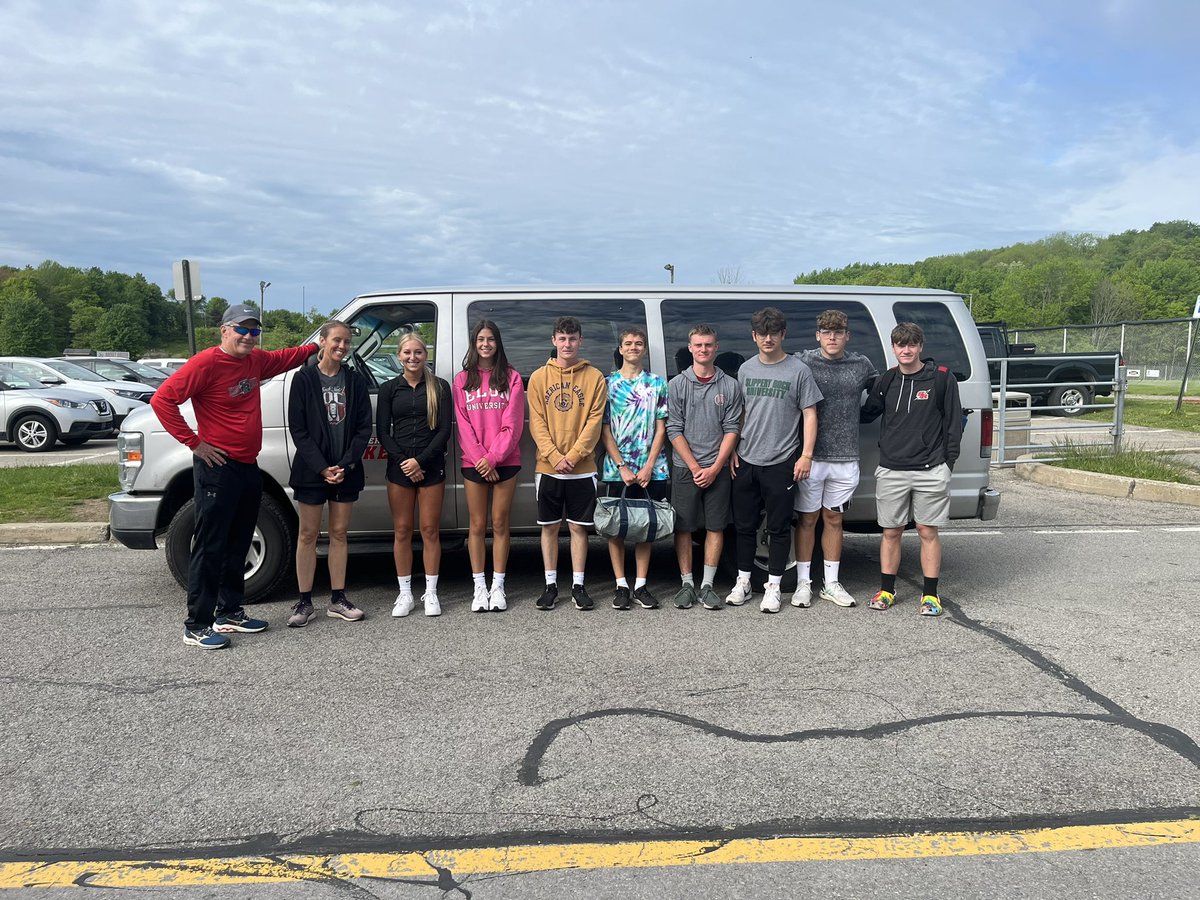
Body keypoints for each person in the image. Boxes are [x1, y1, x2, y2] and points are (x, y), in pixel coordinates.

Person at [151, 303, 316, 649]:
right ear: (224, 330)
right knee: (211, 545)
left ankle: (229, 612)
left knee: (239, 541)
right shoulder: (206, 363)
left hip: (247, 466)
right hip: (217, 468)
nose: (248, 336)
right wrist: (195, 443)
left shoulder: (254, 361)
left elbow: (286, 357)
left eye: (254, 330)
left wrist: (319, 344)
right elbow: (162, 400)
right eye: (242, 329)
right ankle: (197, 624)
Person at [860, 322, 962, 617]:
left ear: (920, 347)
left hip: (931, 468)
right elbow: (867, 414)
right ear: (893, 348)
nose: (906, 350)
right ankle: (886, 590)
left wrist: (948, 465)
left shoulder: (941, 378)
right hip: (892, 468)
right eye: (900, 344)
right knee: (891, 531)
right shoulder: (887, 379)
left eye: (911, 344)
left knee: (927, 530)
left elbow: (953, 424)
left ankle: (930, 595)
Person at [726, 306, 822, 614]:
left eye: (774, 334)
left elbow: (810, 414)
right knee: (744, 526)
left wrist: (806, 455)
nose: (768, 339)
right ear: (754, 336)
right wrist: (733, 449)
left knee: (779, 528)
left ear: (783, 335)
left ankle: (774, 587)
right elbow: (741, 413)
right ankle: (743, 582)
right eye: (762, 334)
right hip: (746, 459)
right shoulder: (745, 370)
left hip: (782, 461)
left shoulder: (798, 370)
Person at [285, 320, 373, 627]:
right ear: (322, 341)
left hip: (346, 470)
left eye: (347, 342)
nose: (342, 346)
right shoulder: (303, 379)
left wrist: (345, 464)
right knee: (307, 534)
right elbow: (298, 429)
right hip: (312, 470)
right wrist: (322, 467)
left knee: (339, 533)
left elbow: (363, 428)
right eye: (337, 340)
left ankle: (338, 599)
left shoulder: (355, 381)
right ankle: (304, 602)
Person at [791, 310, 879, 609]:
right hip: (810, 458)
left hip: (846, 458)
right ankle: (803, 583)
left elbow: (884, 391)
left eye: (838, 332)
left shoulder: (861, 365)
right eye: (826, 332)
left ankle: (831, 583)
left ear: (847, 335)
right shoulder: (803, 361)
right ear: (817, 335)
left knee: (834, 519)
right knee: (807, 520)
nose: (832, 337)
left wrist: (865, 416)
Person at [526, 316, 607, 611]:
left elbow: (595, 422)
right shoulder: (538, 378)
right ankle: (550, 586)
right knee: (549, 527)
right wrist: (554, 456)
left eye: (572, 339)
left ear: (580, 341)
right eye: (562, 338)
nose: (567, 344)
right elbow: (536, 423)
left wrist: (573, 456)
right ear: (554, 341)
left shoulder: (595, 377)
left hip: (582, 469)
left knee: (578, 528)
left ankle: (578, 586)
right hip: (548, 468)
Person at [667, 325, 743, 611]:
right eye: (698, 345)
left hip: (718, 468)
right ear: (690, 348)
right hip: (685, 467)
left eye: (708, 345)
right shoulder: (677, 385)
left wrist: (714, 467)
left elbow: (732, 428)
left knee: (716, 525)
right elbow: (673, 428)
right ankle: (687, 584)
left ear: (716, 347)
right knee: (683, 527)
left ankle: (707, 585)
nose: (703, 349)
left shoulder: (730, 385)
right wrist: (695, 466)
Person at [377, 331, 452, 618]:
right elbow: (383, 432)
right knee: (402, 530)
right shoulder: (388, 389)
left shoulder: (440, 387)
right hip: (399, 467)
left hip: (431, 465)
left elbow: (444, 431)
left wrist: (420, 461)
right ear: (399, 356)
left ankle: (431, 593)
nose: (412, 357)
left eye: (418, 352)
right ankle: (405, 593)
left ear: (425, 355)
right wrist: (405, 462)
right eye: (407, 352)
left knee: (430, 530)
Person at [452, 319, 525, 613]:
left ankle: (498, 586)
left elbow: (513, 424)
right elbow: (463, 425)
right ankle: (479, 586)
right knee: (477, 525)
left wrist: (492, 458)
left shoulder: (512, 377)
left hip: (505, 460)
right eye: (481, 339)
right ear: (474, 343)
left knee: (500, 524)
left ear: (498, 343)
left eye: (490, 339)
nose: (485, 344)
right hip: (474, 461)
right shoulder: (462, 380)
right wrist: (482, 459)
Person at [600, 327, 670, 611]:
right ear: (620, 349)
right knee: (615, 528)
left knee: (646, 527)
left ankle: (640, 585)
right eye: (628, 343)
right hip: (618, 469)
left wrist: (649, 465)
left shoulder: (657, 383)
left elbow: (662, 427)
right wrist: (622, 466)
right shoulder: (608, 384)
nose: (633, 347)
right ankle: (621, 585)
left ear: (645, 349)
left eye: (638, 343)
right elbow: (604, 429)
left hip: (651, 468)